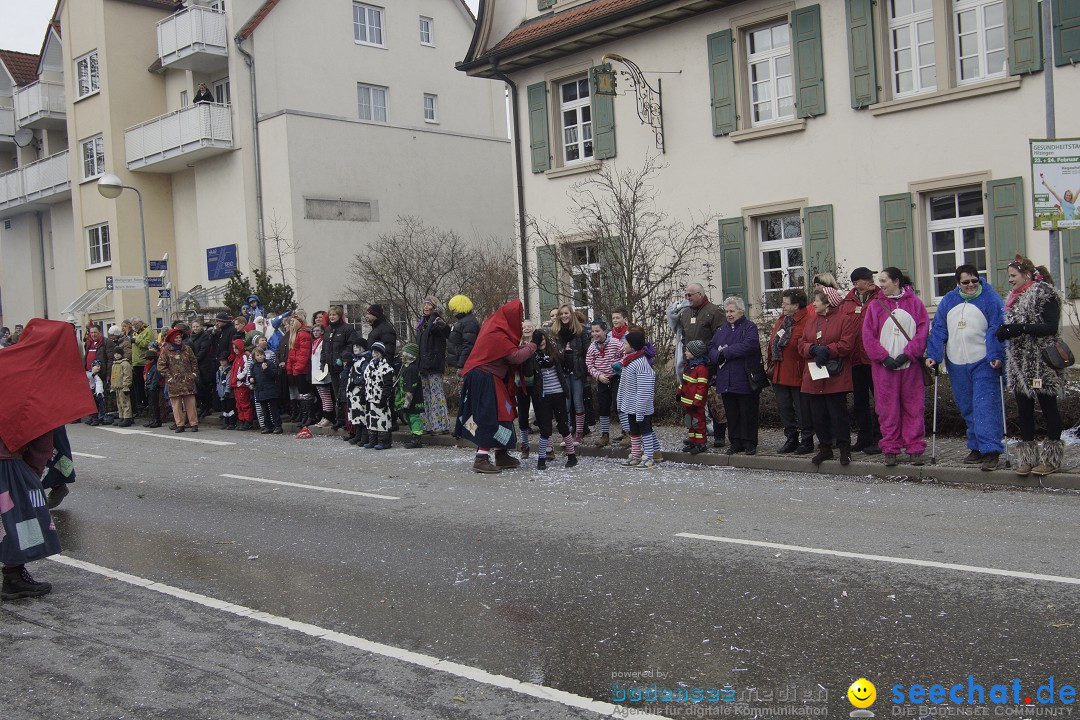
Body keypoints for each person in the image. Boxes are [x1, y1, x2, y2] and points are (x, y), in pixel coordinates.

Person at [0, 318, 97, 601]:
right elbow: (44, 434)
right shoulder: (43, 377)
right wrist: (32, 474)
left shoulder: (7, 361)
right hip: (8, 459)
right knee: (27, 517)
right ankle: (14, 575)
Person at [926, 266, 1006, 471]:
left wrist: (996, 355)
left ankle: (991, 450)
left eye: (974, 281)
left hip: (984, 362)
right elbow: (939, 328)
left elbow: (997, 329)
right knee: (968, 406)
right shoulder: (949, 300)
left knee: (985, 405)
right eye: (966, 282)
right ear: (957, 283)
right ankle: (977, 447)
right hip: (957, 362)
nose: (971, 285)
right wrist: (934, 355)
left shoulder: (991, 299)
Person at [995, 255, 1066, 476]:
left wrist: (1021, 328)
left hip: (1041, 362)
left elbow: (1050, 327)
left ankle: (1051, 459)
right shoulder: (1015, 297)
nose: (1010, 280)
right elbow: (1015, 325)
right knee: (1024, 411)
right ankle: (1027, 459)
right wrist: (1004, 331)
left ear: (1026, 275)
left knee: (1048, 409)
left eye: (1013, 276)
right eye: (1009, 277)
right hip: (1018, 364)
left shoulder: (1044, 293)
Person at [455, 299, 537, 474]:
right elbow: (514, 357)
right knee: (489, 416)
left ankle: (501, 453)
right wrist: (532, 346)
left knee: (504, 413)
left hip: (490, 377)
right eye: (519, 316)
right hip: (485, 378)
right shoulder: (496, 332)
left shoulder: (497, 328)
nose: (520, 321)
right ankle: (481, 458)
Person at [862, 267, 929, 467]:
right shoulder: (875, 306)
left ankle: (915, 447)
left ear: (896, 281)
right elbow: (868, 336)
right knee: (886, 408)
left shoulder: (915, 304)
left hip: (910, 367)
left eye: (884, 280)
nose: (880, 284)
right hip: (884, 368)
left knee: (913, 406)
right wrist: (883, 357)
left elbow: (922, 331)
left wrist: (908, 354)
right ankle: (890, 447)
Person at [799, 287, 857, 466]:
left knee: (838, 414)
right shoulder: (810, 322)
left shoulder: (844, 320)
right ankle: (824, 448)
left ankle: (844, 448)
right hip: (815, 375)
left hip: (835, 375)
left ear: (827, 303)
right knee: (818, 415)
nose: (813, 304)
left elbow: (847, 345)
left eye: (816, 300)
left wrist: (827, 350)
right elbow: (801, 344)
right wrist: (812, 349)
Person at [708, 297, 763, 455]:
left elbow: (749, 345)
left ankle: (750, 442)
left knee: (748, 412)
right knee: (732, 413)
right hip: (726, 378)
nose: (729, 314)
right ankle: (735, 441)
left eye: (732, 311)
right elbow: (711, 347)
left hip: (744, 378)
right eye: (726, 311)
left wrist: (725, 352)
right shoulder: (721, 330)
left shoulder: (749, 327)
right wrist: (715, 355)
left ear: (741, 311)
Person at [677, 284, 727, 449]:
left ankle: (719, 435)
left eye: (690, 295)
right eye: (686, 295)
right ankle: (696, 435)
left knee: (715, 402)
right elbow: (683, 337)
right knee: (692, 402)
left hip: (710, 365)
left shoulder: (714, 312)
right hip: (691, 364)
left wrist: (711, 357)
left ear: (700, 294)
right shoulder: (685, 313)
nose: (688, 298)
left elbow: (719, 338)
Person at [840, 267, 883, 455]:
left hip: (875, 359)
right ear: (856, 283)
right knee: (860, 403)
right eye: (867, 278)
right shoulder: (846, 302)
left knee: (880, 401)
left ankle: (879, 438)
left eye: (871, 277)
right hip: (855, 360)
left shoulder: (881, 298)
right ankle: (863, 437)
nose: (871, 280)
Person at [766, 288, 814, 454]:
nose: (783, 306)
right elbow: (773, 341)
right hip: (780, 371)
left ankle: (807, 440)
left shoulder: (808, 320)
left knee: (802, 409)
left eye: (786, 303)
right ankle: (791, 438)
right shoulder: (783, 319)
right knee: (784, 408)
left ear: (797, 305)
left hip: (798, 372)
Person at [530, 329, 578, 470]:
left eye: (544, 339)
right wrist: (530, 355)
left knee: (563, 425)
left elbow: (568, 369)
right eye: (539, 340)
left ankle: (572, 456)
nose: (542, 342)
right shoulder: (533, 357)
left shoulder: (555, 353)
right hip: (543, 396)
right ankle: (541, 459)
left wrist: (568, 354)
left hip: (558, 393)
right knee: (545, 428)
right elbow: (527, 372)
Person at [615, 330, 658, 469]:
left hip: (642, 408)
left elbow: (644, 389)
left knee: (645, 431)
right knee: (634, 431)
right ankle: (635, 455)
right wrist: (620, 401)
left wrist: (640, 410)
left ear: (633, 346)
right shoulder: (629, 361)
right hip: (631, 406)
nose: (623, 345)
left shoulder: (641, 363)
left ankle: (649, 457)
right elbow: (623, 384)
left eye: (626, 343)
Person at [554, 304, 590, 443]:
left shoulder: (580, 331)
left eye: (566, 313)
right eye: (561, 314)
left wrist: (587, 371)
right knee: (566, 405)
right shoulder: (555, 332)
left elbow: (587, 352)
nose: (564, 316)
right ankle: (568, 432)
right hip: (563, 371)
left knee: (578, 401)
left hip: (577, 370)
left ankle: (579, 432)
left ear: (571, 314)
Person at [415, 298, 451, 433]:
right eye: (424, 304)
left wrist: (438, 319)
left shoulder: (435, 321)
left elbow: (446, 333)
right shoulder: (422, 323)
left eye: (429, 304)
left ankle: (441, 424)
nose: (425, 306)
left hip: (434, 363)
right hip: (423, 364)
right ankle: (428, 424)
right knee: (425, 395)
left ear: (434, 307)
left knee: (436, 394)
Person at [323, 305, 360, 429]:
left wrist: (343, 357)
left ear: (339, 316)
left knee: (345, 394)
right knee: (337, 394)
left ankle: (348, 420)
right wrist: (323, 361)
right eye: (330, 315)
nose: (332, 317)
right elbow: (325, 348)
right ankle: (339, 419)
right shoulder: (328, 330)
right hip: (332, 367)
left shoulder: (347, 329)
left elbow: (351, 345)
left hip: (343, 367)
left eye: (334, 315)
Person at [585, 320, 621, 447]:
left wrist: (618, 365)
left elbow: (625, 355)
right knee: (603, 407)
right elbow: (589, 364)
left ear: (605, 331)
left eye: (597, 331)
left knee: (619, 406)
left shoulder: (615, 343)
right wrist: (598, 375)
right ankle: (605, 435)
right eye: (593, 331)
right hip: (602, 380)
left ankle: (628, 433)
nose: (595, 334)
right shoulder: (592, 347)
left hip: (616, 378)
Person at [158, 327, 200, 433]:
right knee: (176, 405)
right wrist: (169, 377)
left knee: (190, 403)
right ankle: (180, 424)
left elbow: (194, 361)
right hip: (174, 382)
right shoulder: (166, 350)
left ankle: (193, 423)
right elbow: (161, 366)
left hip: (187, 381)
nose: (178, 339)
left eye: (179, 337)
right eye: (176, 338)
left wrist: (194, 374)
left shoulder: (187, 349)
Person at [678, 340, 711, 454]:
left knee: (698, 423)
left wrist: (696, 403)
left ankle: (700, 443)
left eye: (688, 351)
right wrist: (679, 393)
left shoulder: (701, 369)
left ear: (695, 353)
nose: (685, 353)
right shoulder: (689, 365)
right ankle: (693, 441)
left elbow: (702, 388)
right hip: (687, 402)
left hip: (695, 404)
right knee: (690, 422)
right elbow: (684, 382)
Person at [363, 342, 396, 449]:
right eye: (373, 352)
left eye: (377, 352)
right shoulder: (369, 366)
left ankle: (384, 442)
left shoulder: (387, 368)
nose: (374, 354)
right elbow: (366, 382)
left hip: (381, 398)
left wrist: (385, 398)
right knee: (371, 420)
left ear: (381, 353)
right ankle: (372, 441)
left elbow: (388, 385)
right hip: (370, 398)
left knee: (383, 419)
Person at [284, 312, 314, 426]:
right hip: (297, 368)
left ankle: (309, 416)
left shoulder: (302, 334)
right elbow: (292, 354)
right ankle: (305, 415)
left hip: (302, 369)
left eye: (292, 322)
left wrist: (297, 368)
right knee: (301, 393)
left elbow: (303, 353)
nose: (291, 324)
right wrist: (290, 368)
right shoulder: (295, 334)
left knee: (305, 392)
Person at [397, 343, 425, 448]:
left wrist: (406, 403)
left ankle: (417, 439)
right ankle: (414, 435)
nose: (402, 355)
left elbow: (410, 388)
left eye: (404, 353)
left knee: (414, 418)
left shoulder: (412, 369)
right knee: (409, 418)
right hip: (407, 399)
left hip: (414, 400)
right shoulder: (405, 367)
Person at [516, 319, 537, 458]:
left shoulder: (538, 343)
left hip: (536, 383)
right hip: (520, 383)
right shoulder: (516, 343)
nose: (527, 329)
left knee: (542, 414)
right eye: (524, 327)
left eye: (530, 326)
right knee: (522, 416)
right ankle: (525, 445)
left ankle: (548, 448)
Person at [186, 319, 214, 417]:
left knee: (205, 386)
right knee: (198, 387)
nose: (195, 328)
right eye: (194, 327)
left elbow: (204, 350)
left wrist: (195, 360)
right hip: (195, 365)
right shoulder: (191, 337)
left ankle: (207, 407)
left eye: (197, 326)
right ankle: (202, 406)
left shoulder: (205, 336)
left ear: (201, 326)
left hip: (204, 365)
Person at [447, 294, 480, 372]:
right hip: (460, 363)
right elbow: (454, 338)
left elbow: (468, 345)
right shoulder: (461, 321)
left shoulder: (469, 322)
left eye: (454, 307)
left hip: (465, 365)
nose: (453, 310)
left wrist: (461, 365)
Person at [310, 322, 334, 428]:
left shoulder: (323, 341)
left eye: (318, 331)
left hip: (322, 372)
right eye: (314, 331)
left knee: (326, 396)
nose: (315, 333)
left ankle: (329, 417)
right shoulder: (314, 342)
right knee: (322, 397)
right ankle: (324, 416)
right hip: (315, 372)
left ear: (322, 332)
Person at [228, 338, 254, 431]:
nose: (235, 350)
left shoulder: (243, 357)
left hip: (241, 385)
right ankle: (242, 420)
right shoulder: (237, 358)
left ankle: (248, 421)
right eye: (234, 348)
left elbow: (246, 369)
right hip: (236, 385)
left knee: (244, 404)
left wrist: (238, 377)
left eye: (236, 348)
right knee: (239, 404)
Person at [110, 345, 134, 427]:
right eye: (115, 354)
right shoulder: (114, 364)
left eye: (118, 354)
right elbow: (113, 376)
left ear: (121, 354)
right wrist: (112, 387)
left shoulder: (125, 364)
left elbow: (127, 375)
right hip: (116, 386)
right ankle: (121, 417)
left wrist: (126, 386)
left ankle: (127, 418)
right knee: (119, 403)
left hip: (123, 387)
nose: (116, 355)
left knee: (125, 403)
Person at [142, 342, 163, 428]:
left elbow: (155, 379)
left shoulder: (154, 367)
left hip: (153, 388)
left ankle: (157, 420)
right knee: (151, 405)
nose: (146, 361)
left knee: (154, 405)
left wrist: (152, 387)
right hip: (149, 387)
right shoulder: (148, 368)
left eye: (147, 359)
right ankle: (152, 420)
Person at [216, 356, 235, 429]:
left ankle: (232, 423)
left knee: (230, 409)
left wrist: (227, 391)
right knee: (225, 409)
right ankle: (226, 422)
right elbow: (218, 382)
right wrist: (218, 391)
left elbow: (228, 381)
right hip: (221, 393)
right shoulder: (218, 371)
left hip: (228, 394)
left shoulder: (229, 370)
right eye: (220, 361)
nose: (221, 362)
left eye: (223, 360)